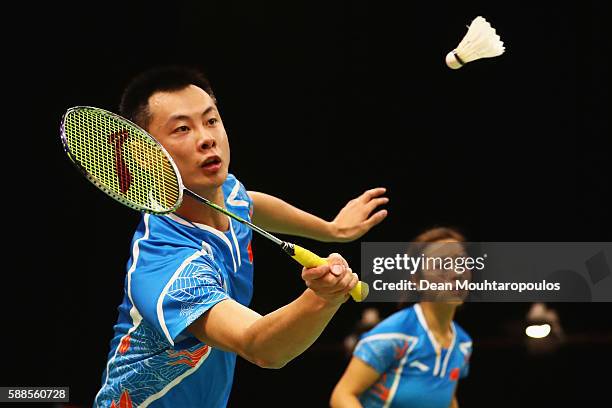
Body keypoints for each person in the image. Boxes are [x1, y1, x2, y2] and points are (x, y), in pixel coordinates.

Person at [93, 65, 388, 407]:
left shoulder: (224, 192)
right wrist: (323, 298)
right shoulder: (166, 263)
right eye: (182, 129)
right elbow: (261, 347)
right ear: (144, 155)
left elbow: (247, 203)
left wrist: (331, 230)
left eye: (211, 120)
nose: (206, 137)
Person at [330, 227, 472, 408]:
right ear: (418, 280)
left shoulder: (463, 343)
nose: (457, 273)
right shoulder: (393, 336)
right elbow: (342, 395)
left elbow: (447, 398)